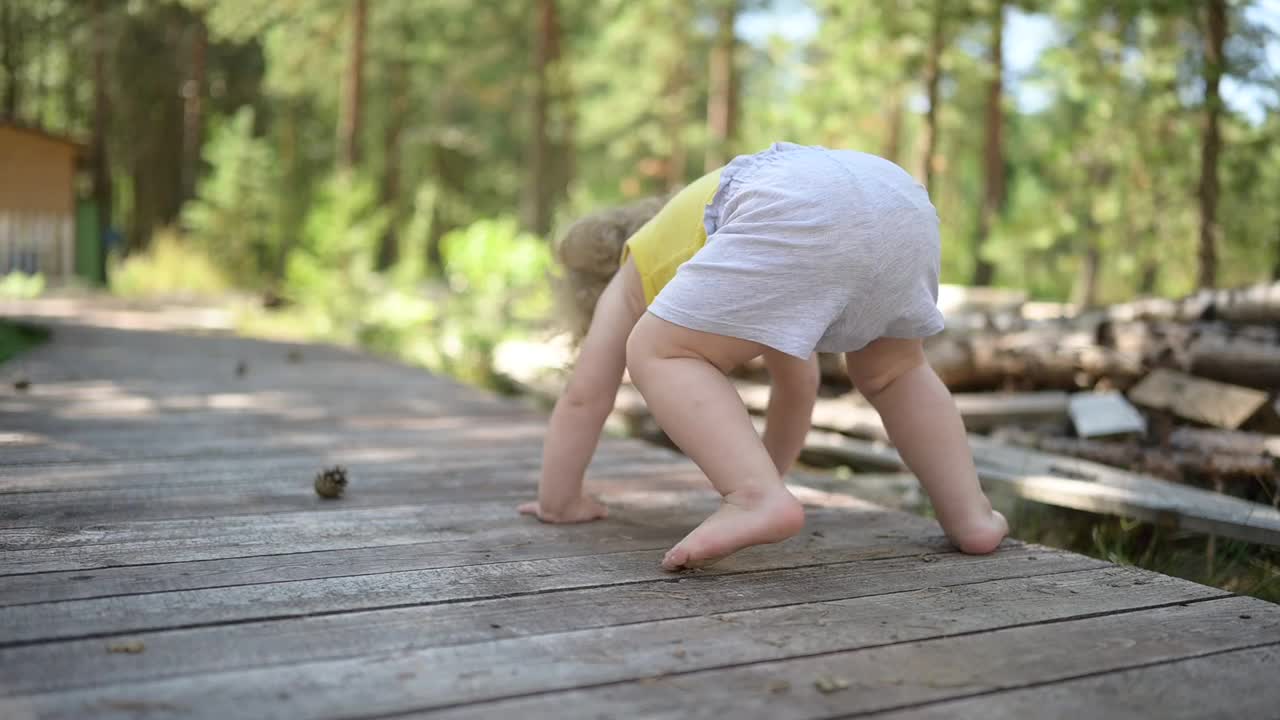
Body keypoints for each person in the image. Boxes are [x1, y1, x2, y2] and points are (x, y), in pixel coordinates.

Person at [518, 142, 1008, 571]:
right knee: (895, 372)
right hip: (900, 201)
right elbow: (799, 386)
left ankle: (756, 498)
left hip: (803, 203)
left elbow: (586, 395)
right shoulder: (723, 232)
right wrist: (764, 471)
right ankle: (972, 516)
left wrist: (558, 501)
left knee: (652, 349)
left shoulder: (640, 262)